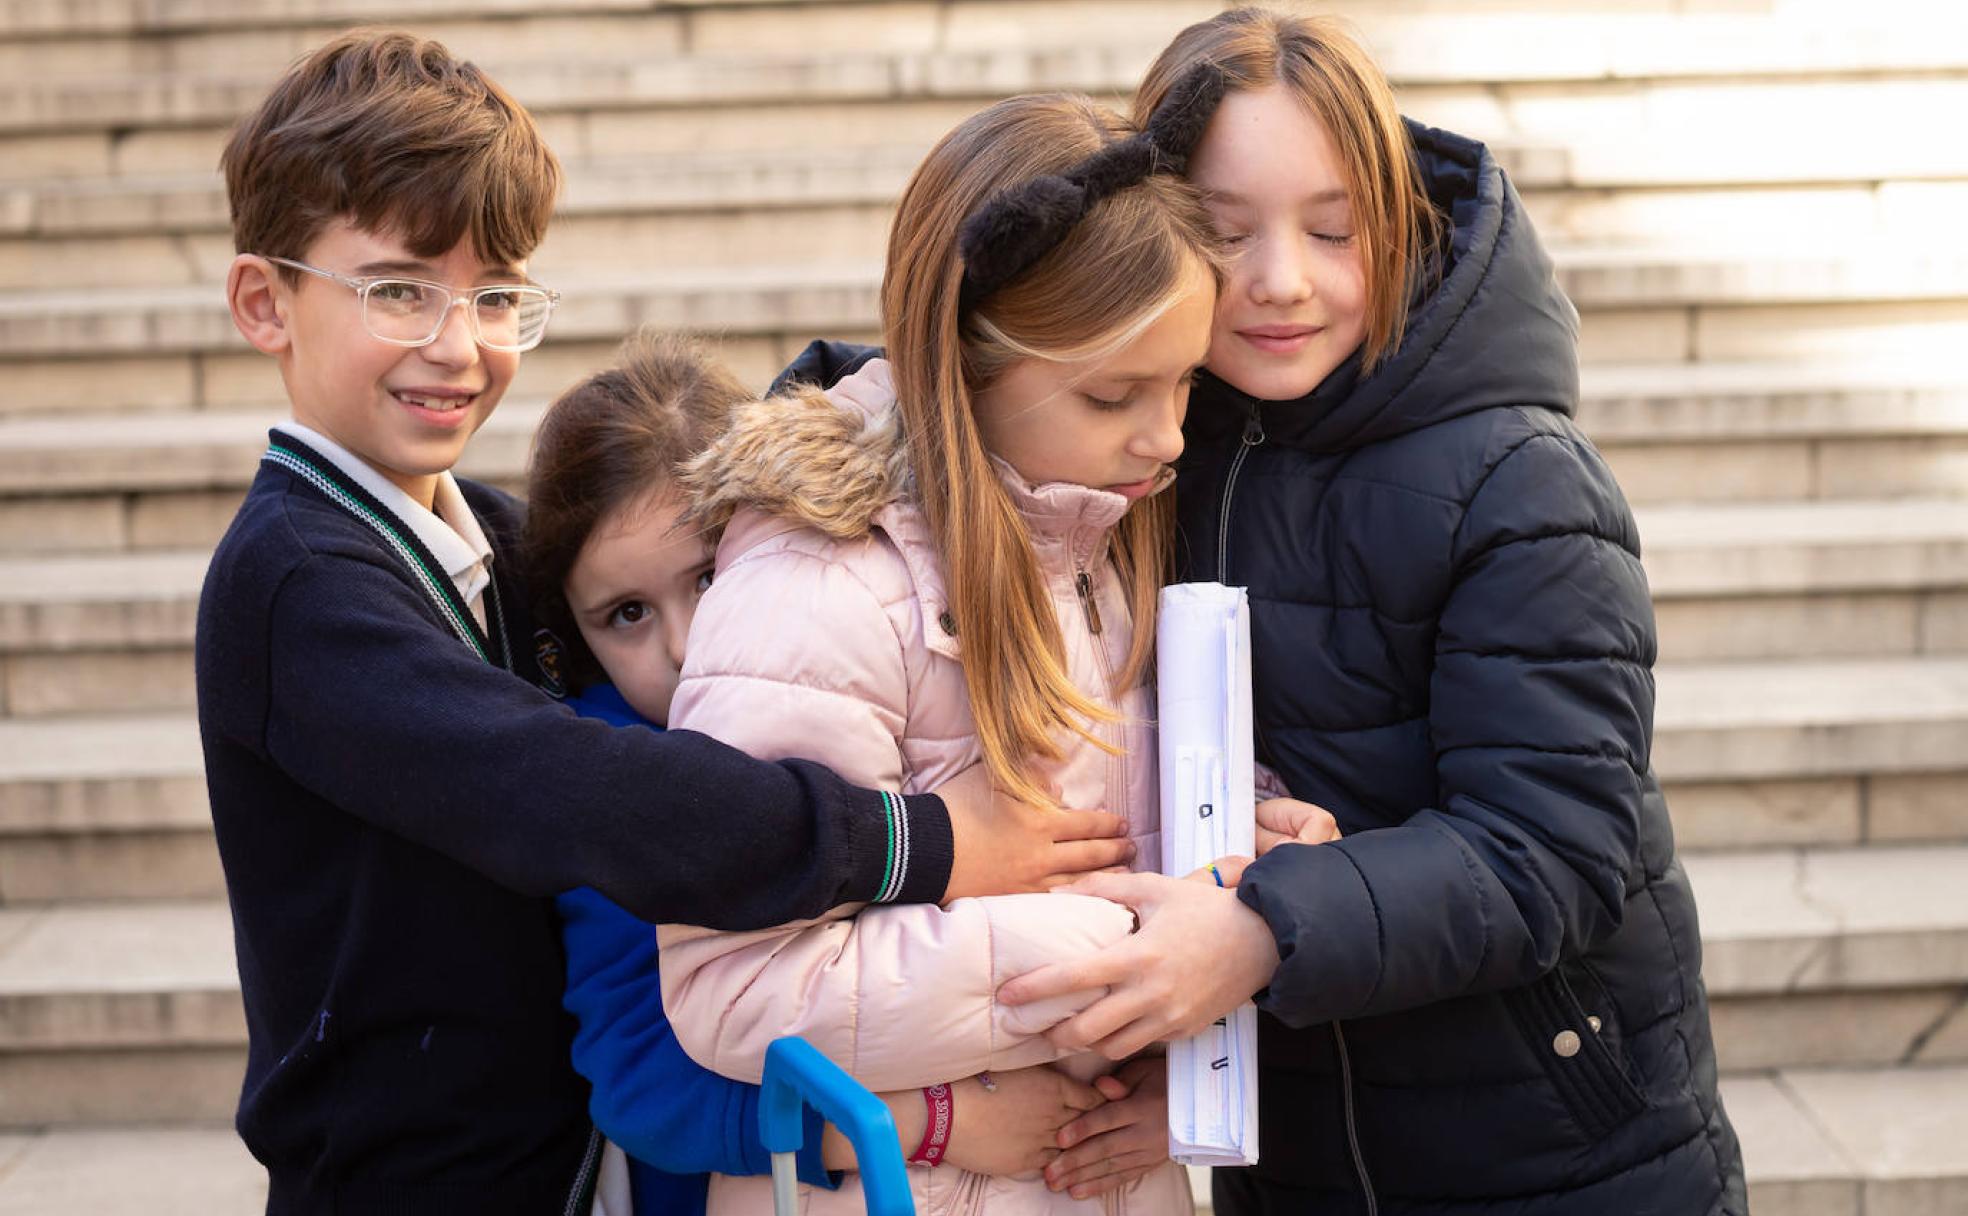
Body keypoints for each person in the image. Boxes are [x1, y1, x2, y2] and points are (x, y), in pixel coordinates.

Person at [194, 31, 1132, 1213]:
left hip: (562, 1163)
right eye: (397, 289)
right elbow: (566, 787)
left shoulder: (489, 533)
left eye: (493, 294)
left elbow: (710, 531)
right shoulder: (296, 582)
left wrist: (906, 402)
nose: (457, 342)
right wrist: (921, 842)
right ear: (262, 302)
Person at [993, 9, 1748, 1214]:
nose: (1282, 279)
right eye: (1224, 233)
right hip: (1295, 1153)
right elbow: (977, 364)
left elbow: (1555, 844)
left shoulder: (1516, 479)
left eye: (1335, 229)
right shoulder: (1157, 450)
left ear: (1397, 220)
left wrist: (1258, 932)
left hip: (1552, 1150)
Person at [645, 90, 1234, 1214]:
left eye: (1185, 384)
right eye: (1115, 393)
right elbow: (728, 985)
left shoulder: (1102, 536)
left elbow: (1113, 806)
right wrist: (1105, 954)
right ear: (963, 362)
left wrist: (1251, 841)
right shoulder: (817, 586)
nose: (1165, 438)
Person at [522, 329, 1126, 1212]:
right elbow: (644, 1081)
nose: (683, 645)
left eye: (707, 577)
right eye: (624, 614)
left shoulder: (852, 668)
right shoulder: (613, 784)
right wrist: (924, 1119)